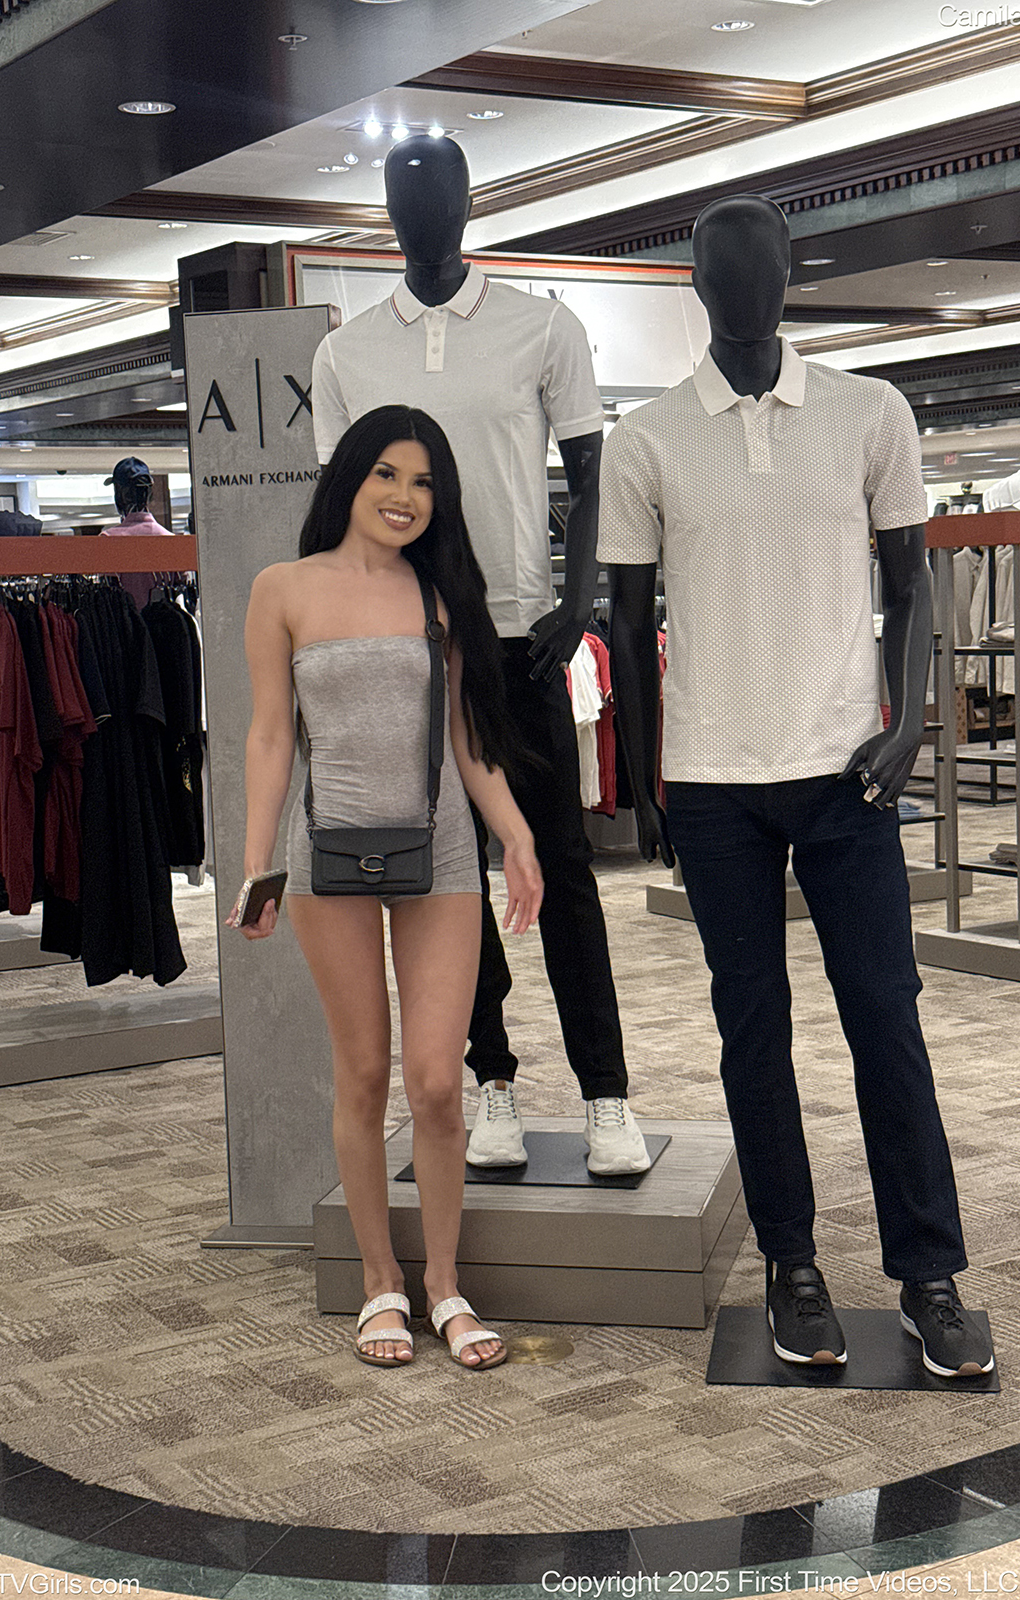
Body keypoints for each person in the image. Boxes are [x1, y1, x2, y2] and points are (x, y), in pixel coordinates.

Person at [601, 195, 993, 1380]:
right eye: (723, 272)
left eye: (764, 268)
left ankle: (927, 1272)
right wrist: (645, 779)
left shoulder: (868, 412)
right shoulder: (645, 438)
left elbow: (909, 586)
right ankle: (791, 1264)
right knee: (751, 1028)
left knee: (885, 1016)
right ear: (696, 285)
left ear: (788, 275)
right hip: (712, 779)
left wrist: (907, 723)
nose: (746, 289)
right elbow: (628, 624)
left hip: (844, 774)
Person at [311, 134, 650, 1177]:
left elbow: (591, 475)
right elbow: (343, 511)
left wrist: (580, 600)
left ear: (468, 204)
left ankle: (605, 1095)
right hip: (408, 646)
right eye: (403, 196)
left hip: (518, 639)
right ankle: (490, 1078)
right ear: (385, 212)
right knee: (447, 883)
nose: (424, 211)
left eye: (441, 192)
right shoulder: (345, 353)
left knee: (561, 868)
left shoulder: (540, 326)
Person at [229, 405, 543, 1370]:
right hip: (328, 857)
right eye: (388, 475)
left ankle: (444, 1284)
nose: (405, 497)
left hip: (439, 856)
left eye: (424, 483)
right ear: (351, 477)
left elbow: (467, 737)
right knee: (363, 1073)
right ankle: (381, 1283)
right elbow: (270, 735)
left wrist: (516, 836)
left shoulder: (440, 596)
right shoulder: (283, 588)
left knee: (437, 1081)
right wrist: (257, 864)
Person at [100, 456, 177, 609]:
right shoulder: (171, 540)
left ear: (121, 495)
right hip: (168, 622)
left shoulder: (108, 540)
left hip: (125, 622)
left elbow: (107, 595)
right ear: (150, 494)